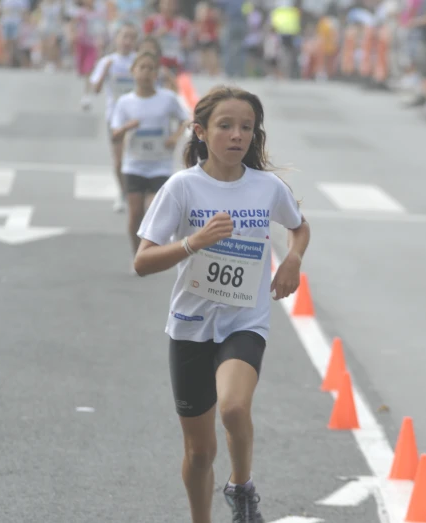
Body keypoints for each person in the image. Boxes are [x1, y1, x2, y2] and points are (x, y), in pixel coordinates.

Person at [133, 85, 311, 523]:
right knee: (199, 452)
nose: (237, 136)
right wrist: (193, 243)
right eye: (226, 126)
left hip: (244, 320)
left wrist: (292, 259)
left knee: (233, 407)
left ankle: (242, 486)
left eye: (246, 128)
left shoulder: (267, 188)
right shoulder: (182, 188)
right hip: (190, 325)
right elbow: (141, 261)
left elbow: (300, 227)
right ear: (200, 132)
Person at [111, 51, 190, 263]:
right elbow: (115, 135)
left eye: (151, 68)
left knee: (152, 209)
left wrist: (174, 137)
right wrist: (127, 127)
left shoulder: (168, 98)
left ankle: (150, 253)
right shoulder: (125, 102)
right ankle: (137, 255)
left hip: (160, 165)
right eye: (142, 68)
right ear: (133, 71)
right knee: (135, 213)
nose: (146, 73)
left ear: (157, 73)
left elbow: (185, 121)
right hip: (134, 165)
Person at [91, 22, 138, 212]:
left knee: (133, 158)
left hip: (137, 117)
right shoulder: (108, 61)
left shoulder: (139, 61)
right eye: (123, 37)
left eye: (131, 37)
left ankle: (136, 193)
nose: (127, 41)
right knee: (118, 160)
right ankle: (122, 193)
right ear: (117, 39)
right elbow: (96, 89)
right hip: (115, 117)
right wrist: (104, 70)